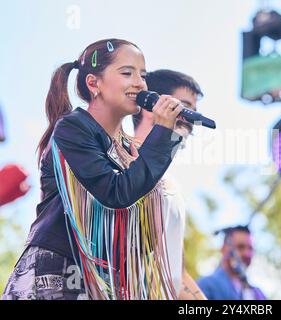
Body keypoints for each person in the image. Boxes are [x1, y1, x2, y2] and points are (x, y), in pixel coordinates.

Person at [2, 38, 185, 300]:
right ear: (93, 83)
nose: (139, 83)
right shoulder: (72, 128)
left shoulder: (127, 148)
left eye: (142, 76)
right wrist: (162, 132)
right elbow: (115, 193)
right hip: (58, 269)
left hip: (102, 277)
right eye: (127, 73)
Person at [132, 69, 206, 300]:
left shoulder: (172, 187)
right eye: (182, 107)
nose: (191, 119)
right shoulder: (117, 163)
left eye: (194, 111)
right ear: (150, 104)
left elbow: (177, 273)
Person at [197, 225, 266, 300]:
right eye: (240, 247)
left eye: (250, 249)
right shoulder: (206, 286)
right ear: (223, 249)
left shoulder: (257, 294)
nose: (247, 254)